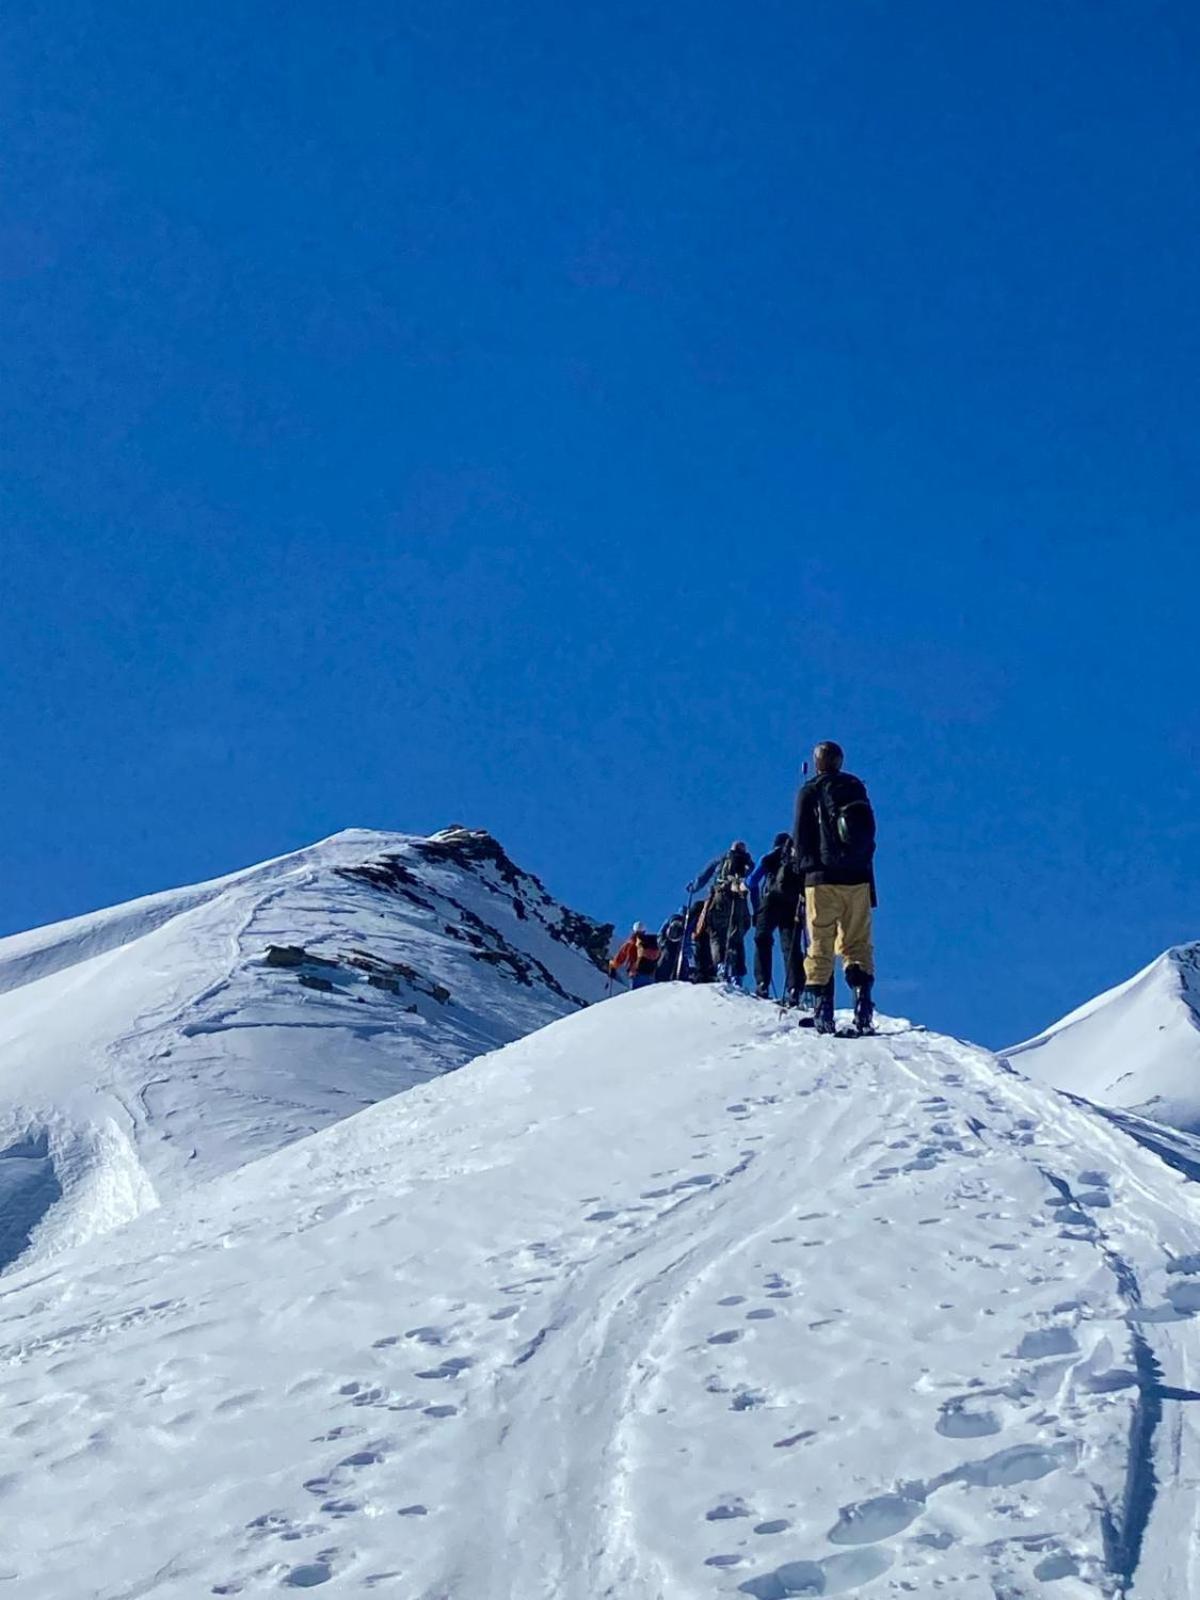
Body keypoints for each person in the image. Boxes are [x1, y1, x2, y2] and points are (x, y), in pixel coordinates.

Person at [792, 742, 877, 1034]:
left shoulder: (810, 790)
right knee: (856, 944)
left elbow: (801, 840)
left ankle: (822, 1010)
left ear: (817, 763)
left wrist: (800, 875)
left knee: (820, 943)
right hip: (859, 879)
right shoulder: (856, 788)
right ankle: (863, 1005)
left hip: (821, 880)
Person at [747, 831, 804, 1001]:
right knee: (791, 946)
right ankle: (794, 989)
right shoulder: (798, 860)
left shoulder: (771, 856)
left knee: (763, 939)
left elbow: (751, 881)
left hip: (771, 901)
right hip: (793, 905)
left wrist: (757, 908)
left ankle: (762, 983)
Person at [694, 840, 755, 985]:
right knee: (737, 936)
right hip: (740, 901)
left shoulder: (721, 860)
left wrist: (693, 887)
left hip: (720, 898)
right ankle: (738, 973)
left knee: (716, 934)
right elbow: (753, 881)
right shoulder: (749, 864)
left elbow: (703, 877)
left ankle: (721, 965)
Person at [609, 921, 661, 990]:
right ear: (644, 931)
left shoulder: (630, 944)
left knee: (637, 996)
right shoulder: (650, 943)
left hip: (635, 973)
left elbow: (620, 958)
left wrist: (613, 967)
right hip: (650, 974)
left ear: (633, 931)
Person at [657, 911, 686, 981]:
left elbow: (660, 934)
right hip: (677, 945)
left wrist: (662, 943)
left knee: (665, 963)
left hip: (668, 944)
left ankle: (661, 979)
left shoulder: (670, 920)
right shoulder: (685, 922)